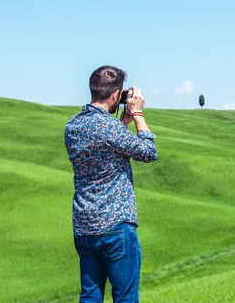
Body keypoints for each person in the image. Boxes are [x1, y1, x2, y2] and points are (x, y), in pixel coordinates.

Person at [64, 65, 157, 303]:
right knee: (125, 297)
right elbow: (148, 152)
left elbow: (101, 143)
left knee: (90, 296)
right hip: (116, 227)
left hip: (85, 227)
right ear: (116, 95)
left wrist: (121, 123)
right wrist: (137, 115)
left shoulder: (72, 126)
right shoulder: (110, 128)